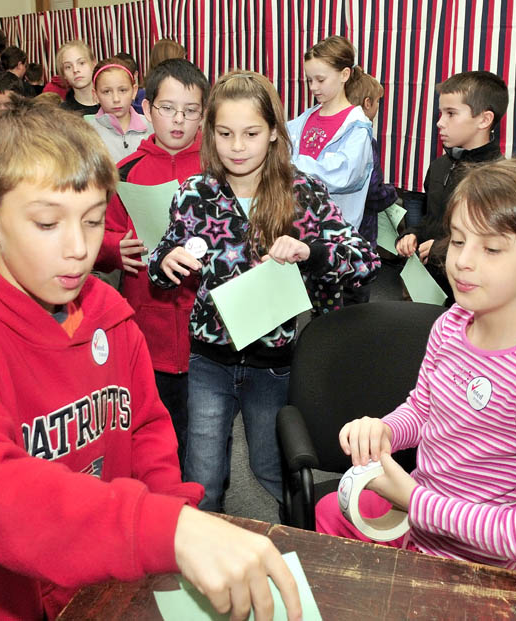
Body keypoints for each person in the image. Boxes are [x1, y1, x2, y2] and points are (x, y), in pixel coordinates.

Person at [0, 98, 302, 621]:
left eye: (94, 221)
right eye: (48, 224)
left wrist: (177, 517)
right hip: (6, 600)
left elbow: (147, 431)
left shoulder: (110, 312)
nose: (78, 248)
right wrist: (164, 529)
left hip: (106, 581)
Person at [316, 159, 516, 575]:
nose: (462, 261)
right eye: (459, 241)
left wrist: (415, 501)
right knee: (329, 512)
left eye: (492, 249)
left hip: (482, 570)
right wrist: (386, 429)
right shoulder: (452, 323)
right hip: (420, 526)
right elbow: (424, 410)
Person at [148, 71, 380, 512]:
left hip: (273, 367)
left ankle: (300, 544)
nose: (237, 147)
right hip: (207, 362)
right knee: (203, 476)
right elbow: (162, 259)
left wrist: (309, 251)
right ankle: (208, 562)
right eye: (225, 134)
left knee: (273, 467)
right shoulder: (195, 193)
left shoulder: (303, 193)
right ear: (209, 134)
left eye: (251, 133)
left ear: (274, 131)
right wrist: (165, 262)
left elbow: (364, 262)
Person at [95, 58, 209, 468]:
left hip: (208, 331)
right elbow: (98, 234)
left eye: (191, 110)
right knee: (159, 430)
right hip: (150, 327)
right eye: (167, 108)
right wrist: (113, 248)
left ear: (203, 114)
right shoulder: (125, 173)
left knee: (208, 432)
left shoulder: (218, 171)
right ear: (147, 110)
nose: (178, 120)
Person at [395, 71, 508, 304]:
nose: (440, 122)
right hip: (426, 283)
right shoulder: (439, 166)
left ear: (484, 120)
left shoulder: (498, 179)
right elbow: (431, 218)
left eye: (451, 114)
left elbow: (493, 245)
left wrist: (441, 249)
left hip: (466, 294)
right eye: (441, 113)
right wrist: (413, 233)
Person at [287, 35, 373, 231]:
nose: (313, 87)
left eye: (320, 79)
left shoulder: (357, 127)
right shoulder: (305, 118)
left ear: (344, 74)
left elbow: (342, 175)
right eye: (309, 80)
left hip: (334, 232)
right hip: (296, 223)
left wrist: (289, 165)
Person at [343, 71, 398, 304]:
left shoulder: (335, 133)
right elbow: (372, 192)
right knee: (355, 298)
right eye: (377, 102)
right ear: (367, 103)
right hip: (359, 232)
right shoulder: (363, 138)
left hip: (331, 230)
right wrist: (392, 193)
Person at [85, 57, 152, 162]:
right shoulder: (88, 134)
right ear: (95, 95)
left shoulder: (151, 127)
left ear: (134, 91)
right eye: (107, 92)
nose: (116, 99)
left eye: (122, 90)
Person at [57, 40, 100, 115]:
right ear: (63, 74)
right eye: (68, 67)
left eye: (81, 63)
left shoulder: (113, 103)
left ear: (93, 64)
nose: (75, 70)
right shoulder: (63, 114)